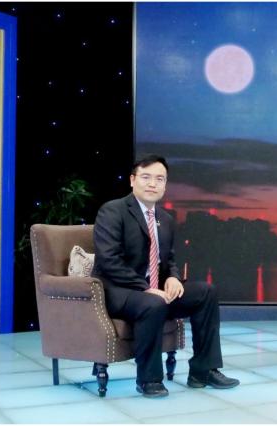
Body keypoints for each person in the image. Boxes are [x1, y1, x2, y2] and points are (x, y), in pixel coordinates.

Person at [92, 154, 239, 398]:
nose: (153, 184)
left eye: (159, 179)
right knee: (153, 302)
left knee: (206, 292)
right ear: (132, 180)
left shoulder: (166, 219)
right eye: (146, 177)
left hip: (154, 292)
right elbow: (109, 261)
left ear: (165, 184)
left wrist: (173, 277)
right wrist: (144, 287)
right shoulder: (113, 211)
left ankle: (203, 371)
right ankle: (149, 380)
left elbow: (169, 259)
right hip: (118, 292)